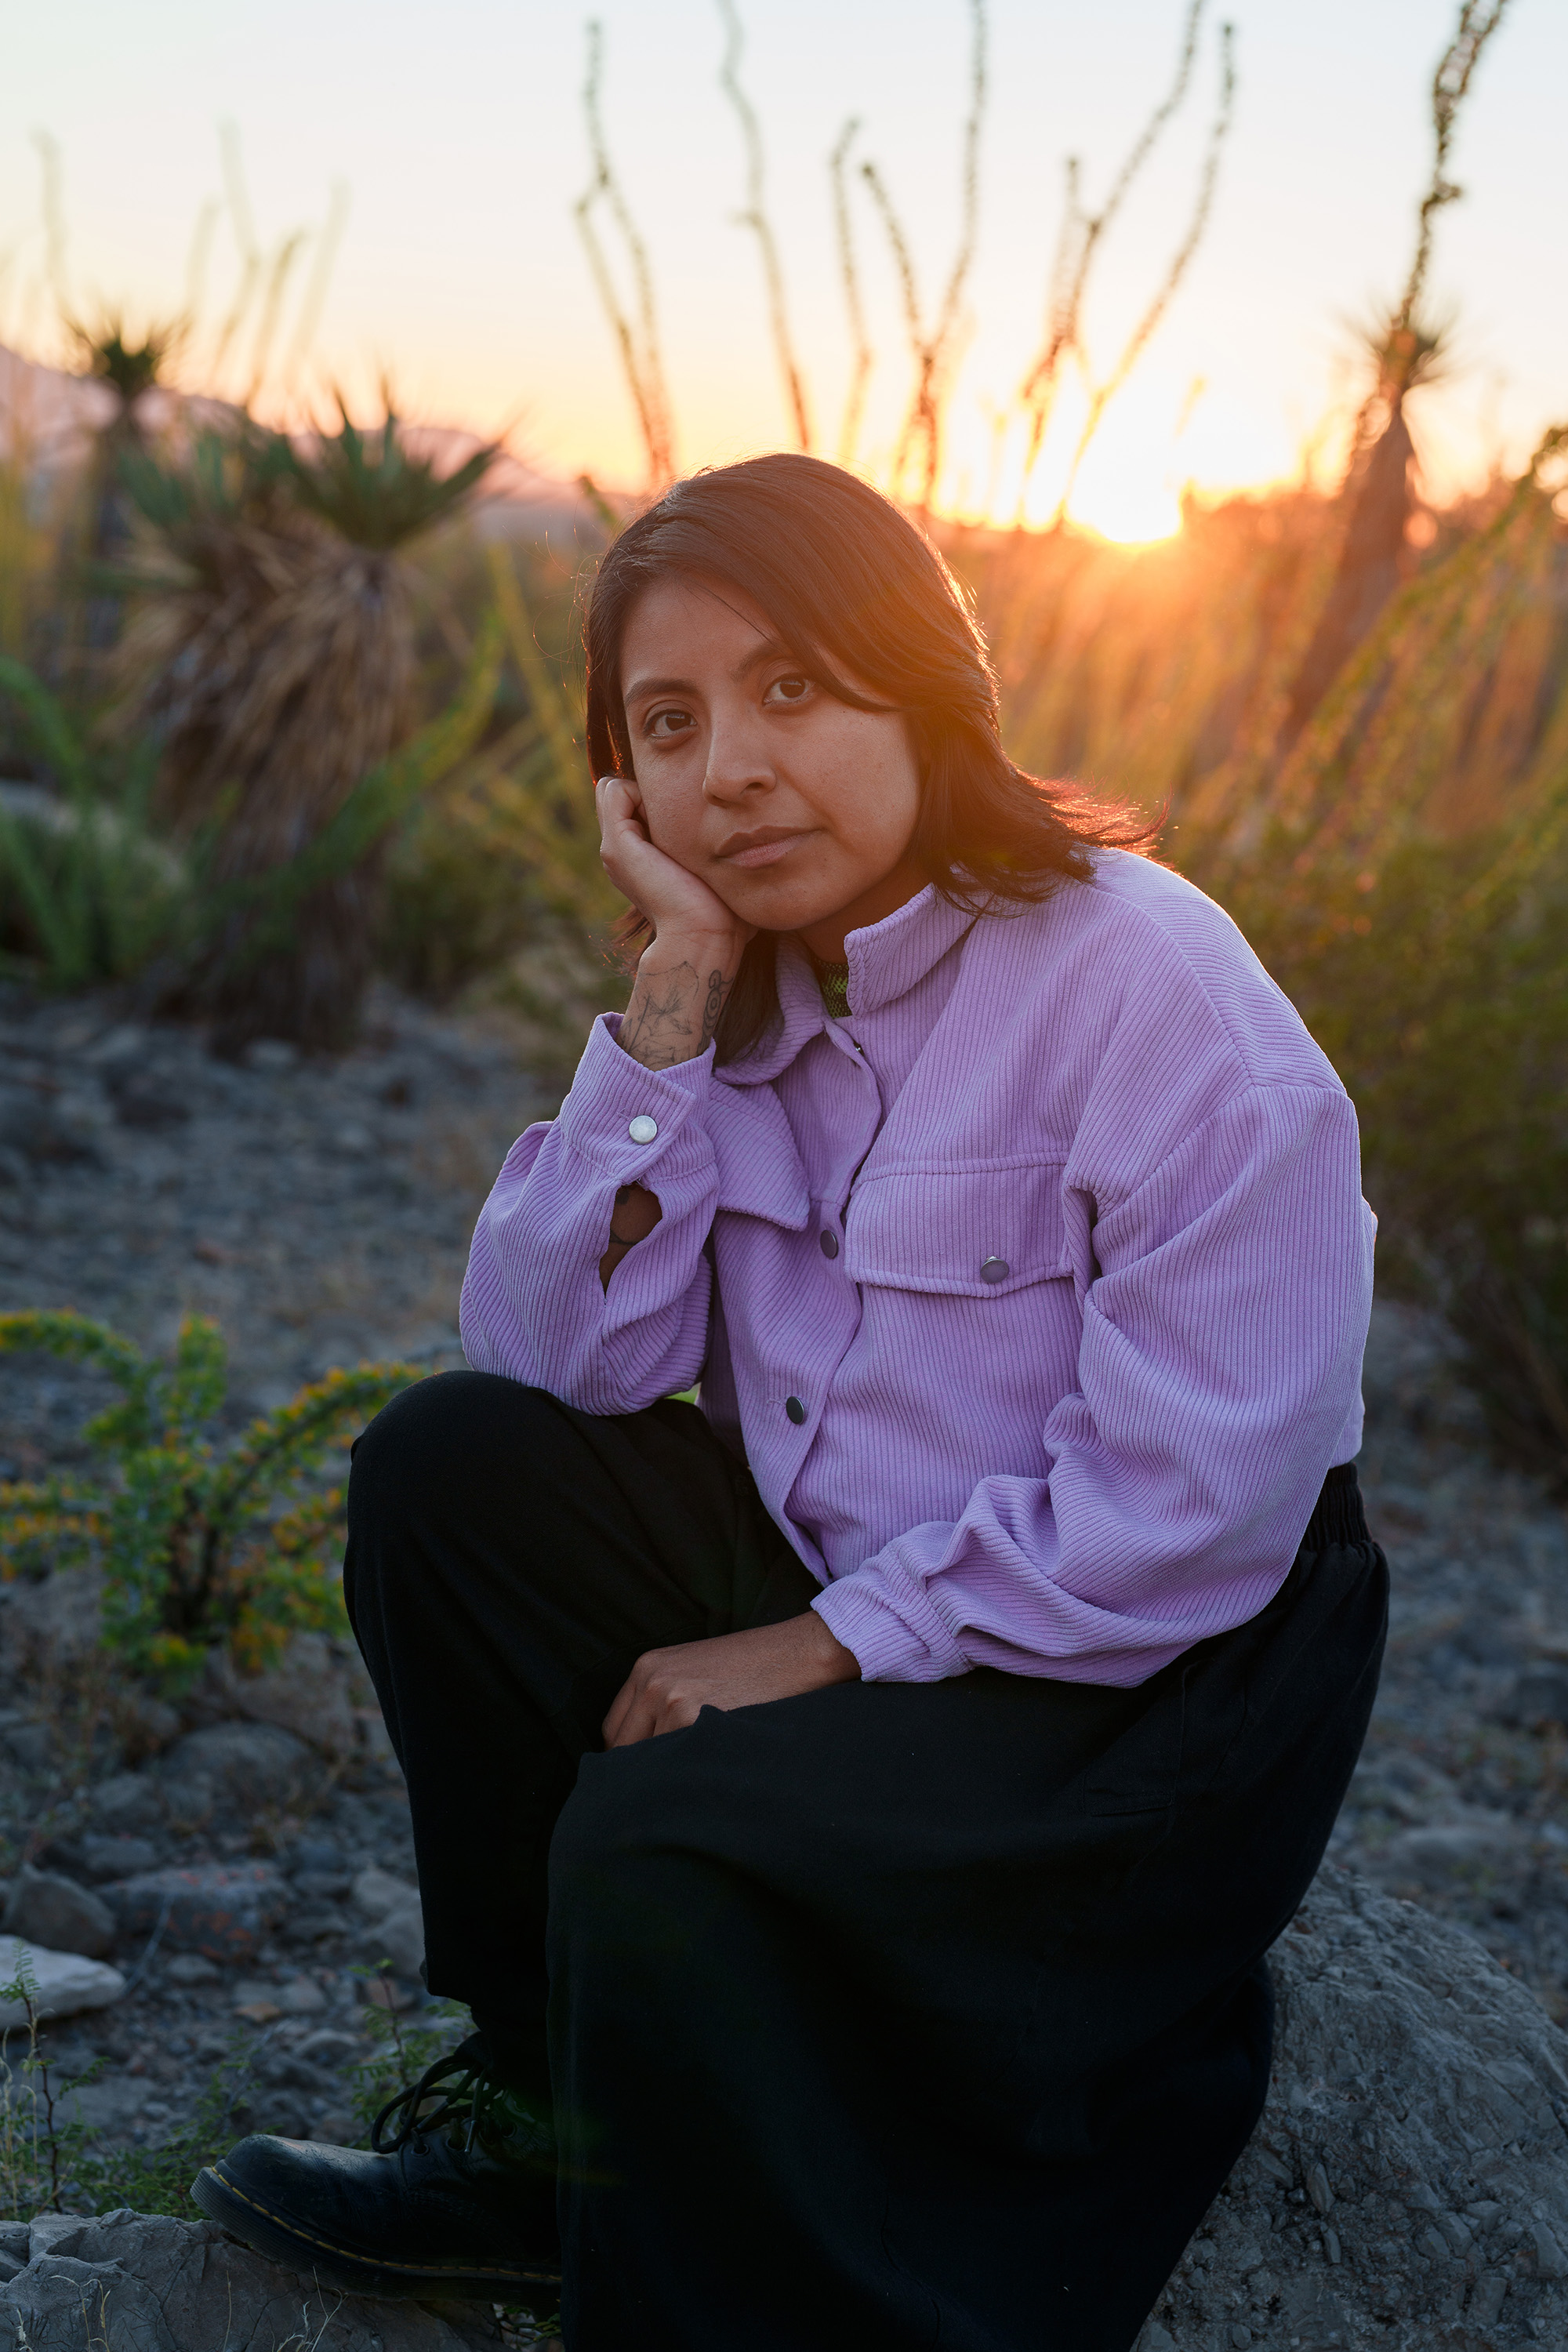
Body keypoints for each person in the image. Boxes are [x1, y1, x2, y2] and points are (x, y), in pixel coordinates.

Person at [195, 454, 1388, 2352]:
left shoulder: (1155, 996)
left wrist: (827, 1647)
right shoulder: (740, 989)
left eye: (791, 688)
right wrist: (666, 1012)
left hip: (1138, 1663)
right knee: (447, 1470)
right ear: (627, 790)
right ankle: (545, 2125)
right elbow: (557, 1362)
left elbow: (1208, 1501)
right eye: (669, 724)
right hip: (861, 1550)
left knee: (665, 1833)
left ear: (928, 689)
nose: (732, 766)